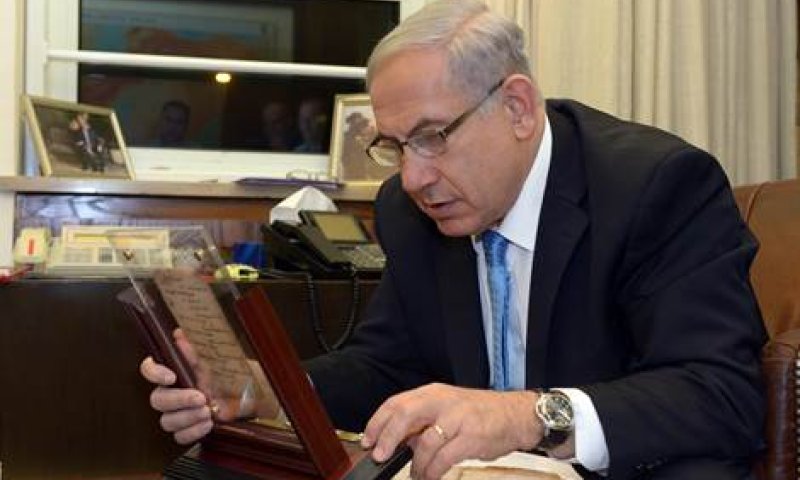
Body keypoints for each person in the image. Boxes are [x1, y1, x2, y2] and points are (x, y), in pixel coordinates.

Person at [141, 1, 766, 478]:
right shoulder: (409, 210)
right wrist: (264, 389)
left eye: (434, 135)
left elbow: (722, 394)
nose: (413, 177)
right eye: (394, 146)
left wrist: (524, 415)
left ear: (518, 108)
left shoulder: (655, 186)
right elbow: (387, 365)